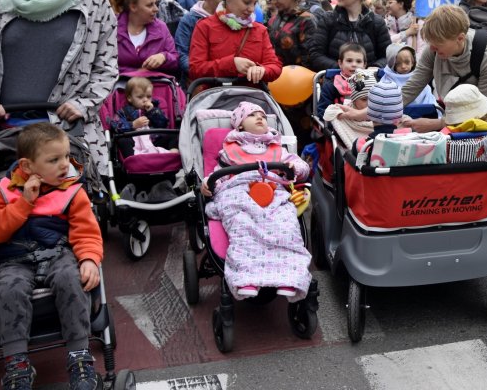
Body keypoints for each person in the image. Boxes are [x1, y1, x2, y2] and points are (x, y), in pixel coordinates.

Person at [0, 0, 118, 176]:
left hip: (67, 131)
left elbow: (107, 66)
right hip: (3, 131)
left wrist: (84, 103)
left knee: (70, 212)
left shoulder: (94, 2)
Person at [0, 123, 103, 389]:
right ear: (27, 167)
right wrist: (24, 203)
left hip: (58, 252)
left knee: (71, 278)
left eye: (65, 156)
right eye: (54, 160)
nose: (65, 164)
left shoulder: (73, 191)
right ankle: (17, 364)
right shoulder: (3, 192)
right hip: (15, 257)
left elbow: (86, 232)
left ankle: (79, 355)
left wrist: (89, 258)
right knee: (7, 289)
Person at [202, 102, 311, 300]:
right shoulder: (230, 152)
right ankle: (246, 277)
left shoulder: (277, 149)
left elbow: (301, 167)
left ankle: (289, 277)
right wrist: (207, 185)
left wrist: (293, 167)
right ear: (239, 125)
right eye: (252, 115)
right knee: (242, 227)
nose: (260, 117)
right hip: (238, 190)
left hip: (272, 191)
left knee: (286, 225)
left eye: (262, 115)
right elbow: (217, 177)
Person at [394, 5, 487, 132]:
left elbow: (485, 112)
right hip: (452, 116)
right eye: (431, 44)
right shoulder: (434, 47)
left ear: (460, 38)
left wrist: (439, 124)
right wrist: (383, 109)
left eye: (437, 45)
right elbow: (412, 87)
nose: (431, 49)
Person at [189, 0, 283, 85]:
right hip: (215, 99)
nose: (251, 9)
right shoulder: (205, 26)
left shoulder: (259, 30)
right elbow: (195, 69)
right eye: (246, 2)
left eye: (254, 3)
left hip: (252, 99)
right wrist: (231, 64)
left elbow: (275, 66)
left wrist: (261, 69)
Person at [307, 0, 391, 71]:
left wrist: (375, 68)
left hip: (368, 83)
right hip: (334, 83)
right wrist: (341, 68)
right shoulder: (328, 19)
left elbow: (388, 56)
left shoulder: (377, 22)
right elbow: (315, 54)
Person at [114, 0, 179, 75]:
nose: (156, 9)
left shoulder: (161, 28)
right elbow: (103, 63)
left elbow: (175, 60)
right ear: (133, 7)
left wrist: (164, 57)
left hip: (155, 84)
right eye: (150, 5)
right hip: (119, 84)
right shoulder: (112, 27)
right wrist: (135, 74)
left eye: (155, 4)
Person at [175, 0, 224, 84]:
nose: (225, 1)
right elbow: (181, 54)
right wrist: (203, 71)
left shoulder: (229, 19)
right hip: (197, 82)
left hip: (224, 81)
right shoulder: (189, 20)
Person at [108, 76, 177, 156]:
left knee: (173, 134)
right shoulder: (123, 111)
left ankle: (173, 155)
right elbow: (115, 125)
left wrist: (153, 112)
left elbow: (163, 124)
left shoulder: (154, 109)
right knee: (123, 141)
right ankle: (132, 159)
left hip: (153, 140)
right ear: (130, 98)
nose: (145, 100)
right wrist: (132, 125)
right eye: (140, 97)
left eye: (148, 96)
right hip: (134, 142)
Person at [266, 0, 315, 70]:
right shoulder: (273, 20)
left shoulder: (306, 20)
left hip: (297, 78)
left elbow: (310, 56)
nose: (274, 2)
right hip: (273, 75)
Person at [316, 43, 368, 118]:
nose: (354, 64)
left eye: (358, 61)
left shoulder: (370, 85)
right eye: (349, 61)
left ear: (364, 65)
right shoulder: (331, 85)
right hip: (339, 122)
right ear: (340, 63)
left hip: (363, 122)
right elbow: (323, 111)